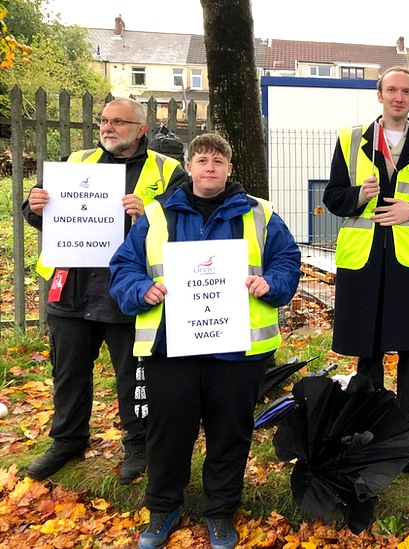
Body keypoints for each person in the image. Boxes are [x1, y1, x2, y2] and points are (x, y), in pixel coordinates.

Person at [109, 133, 301, 548]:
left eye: (218, 160)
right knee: (167, 434)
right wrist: (140, 289)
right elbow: (123, 265)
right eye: (201, 159)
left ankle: (220, 513)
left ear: (230, 169)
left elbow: (287, 259)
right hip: (170, 347)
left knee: (229, 435)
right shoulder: (157, 215)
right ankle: (163, 509)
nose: (209, 166)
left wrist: (272, 283)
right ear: (190, 167)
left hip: (238, 350)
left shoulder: (260, 213)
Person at [22, 97, 188, 484]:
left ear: (142, 129)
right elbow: (36, 213)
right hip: (72, 287)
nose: (108, 128)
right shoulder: (75, 164)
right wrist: (35, 204)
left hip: (127, 290)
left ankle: (137, 443)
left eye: (118, 122)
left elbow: (184, 224)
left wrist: (149, 214)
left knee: (133, 374)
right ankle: (67, 440)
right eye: (103, 121)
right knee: (68, 372)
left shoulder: (167, 171)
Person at [323, 67, 409, 474]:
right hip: (363, 260)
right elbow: (332, 197)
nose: (398, 97)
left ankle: (408, 437)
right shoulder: (350, 140)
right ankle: (371, 433)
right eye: (391, 90)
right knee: (369, 350)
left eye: (406, 91)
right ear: (379, 95)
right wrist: (356, 196)